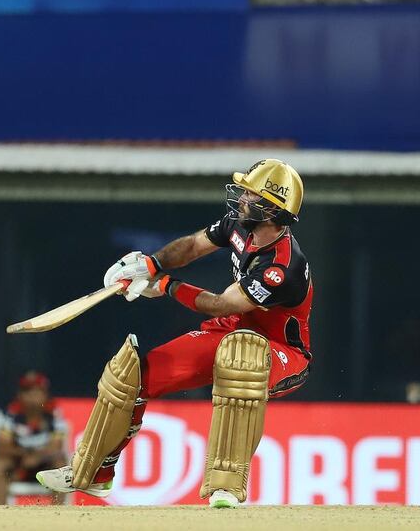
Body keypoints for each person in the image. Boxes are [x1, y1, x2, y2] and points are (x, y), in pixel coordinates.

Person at [37, 159, 313, 508]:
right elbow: (194, 246)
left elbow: (220, 305)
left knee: (241, 360)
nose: (241, 198)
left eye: (250, 194)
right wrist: (151, 264)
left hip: (282, 352)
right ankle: (93, 473)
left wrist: (165, 285)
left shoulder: (282, 267)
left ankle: (226, 487)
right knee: (133, 377)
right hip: (232, 332)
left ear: (271, 209)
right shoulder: (238, 226)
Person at [0, 371, 67, 505]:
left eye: (37, 392)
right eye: (28, 392)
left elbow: (56, 447)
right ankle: (0, 509)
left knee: (60, 463)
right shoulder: (11, 415)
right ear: (20, 395)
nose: (32, 397)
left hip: (44, 466)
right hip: (18, 465)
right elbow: (3, 447)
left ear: (45, 395)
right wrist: (25, 456)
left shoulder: (54, 416)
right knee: (0, 465)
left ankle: (58, 511)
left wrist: (37, 457)